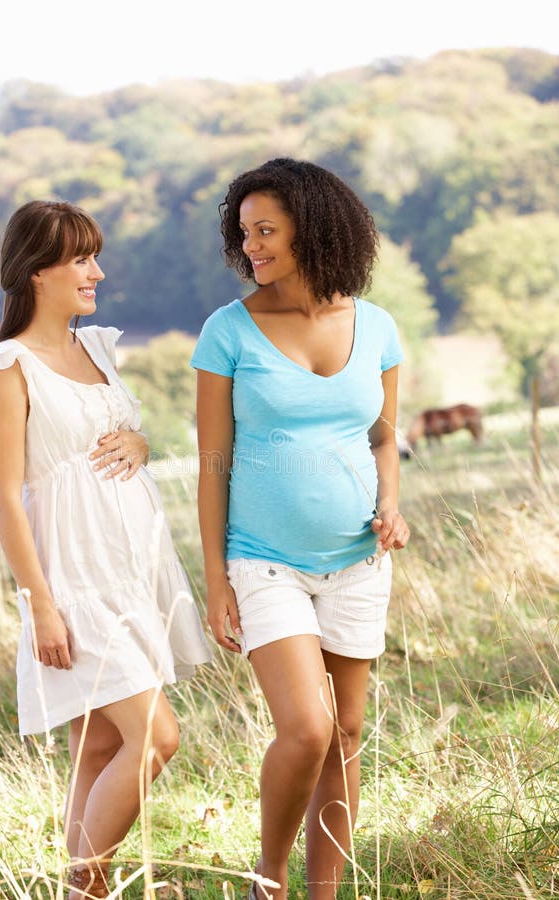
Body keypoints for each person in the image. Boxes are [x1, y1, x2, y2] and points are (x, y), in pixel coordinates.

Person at [0, 199, 211, 899]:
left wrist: (141, 441)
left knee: (99, 749)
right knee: (157, 738)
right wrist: (41, 606)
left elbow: (123, 434)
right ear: (37, 270)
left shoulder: (96, 347)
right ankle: (81, 887)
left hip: (130, 566)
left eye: (94, 255)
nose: (96, 271)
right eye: (80, 258)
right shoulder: (6, 368)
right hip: (72, 580)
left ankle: (85, 894)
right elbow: (6, 494)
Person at [190, 158, 410, 900]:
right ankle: (268, 876)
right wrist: (216, 577)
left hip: (356, 560)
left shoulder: (375, 326)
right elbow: (213, 461)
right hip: (263, 562)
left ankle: (325, 894)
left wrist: (392, 505)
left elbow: (383, 437)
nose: (251, 247)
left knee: (345, 734)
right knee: (308, 729)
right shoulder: (228, 330)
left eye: (266, 231)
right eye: (244, 232)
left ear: (312, 230)